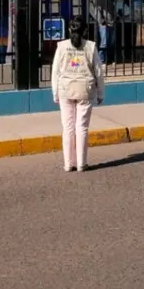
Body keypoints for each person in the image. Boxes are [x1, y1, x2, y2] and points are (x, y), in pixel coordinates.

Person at [51, 17, 105, 172]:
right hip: (85, 91)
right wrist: (100, 93)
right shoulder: (91, 47)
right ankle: (82, 163)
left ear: (69, 30)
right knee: (82, 127)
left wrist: (55, 93)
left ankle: (68, 164)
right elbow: (98, 72)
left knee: (67, 128)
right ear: (86, 31)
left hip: (65, 90)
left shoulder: (61, 47)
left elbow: (55, 72)